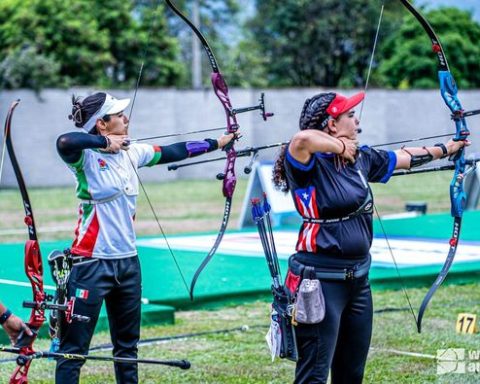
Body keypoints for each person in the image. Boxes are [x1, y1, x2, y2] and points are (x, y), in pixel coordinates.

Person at [272, 91, 467, 384]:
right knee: (312, 376)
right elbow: (301, 140)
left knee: (351, 373)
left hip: (358, 282)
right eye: (350, 115)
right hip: (319, 282)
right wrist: (339, 147)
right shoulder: (306, 164)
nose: (357, 119)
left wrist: (448, 147)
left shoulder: (360, 158)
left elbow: (403, 158)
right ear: (332, 124)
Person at [55, 91, 235, 384]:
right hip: (91, 264)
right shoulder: (84, 158)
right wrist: (104, 143)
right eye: (119, 116)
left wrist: (217, 143)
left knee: (127, 348)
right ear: (102, 124)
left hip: (127, 265)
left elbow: (174, 150)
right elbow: (65, 141)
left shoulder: (133, 152)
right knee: (73, 351)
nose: (126, 119)